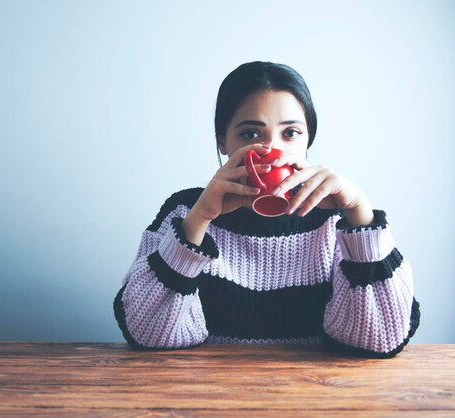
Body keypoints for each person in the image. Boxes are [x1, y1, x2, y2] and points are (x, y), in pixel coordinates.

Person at [113, 61, 420, 358]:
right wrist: (199, 220)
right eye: (250, 134)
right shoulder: (185, 212)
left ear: (308, 139)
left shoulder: (337, 218)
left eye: (291, 133)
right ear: (223, 141)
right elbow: (148, 333)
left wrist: (358, 212)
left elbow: (380, 339)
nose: (272, 151)